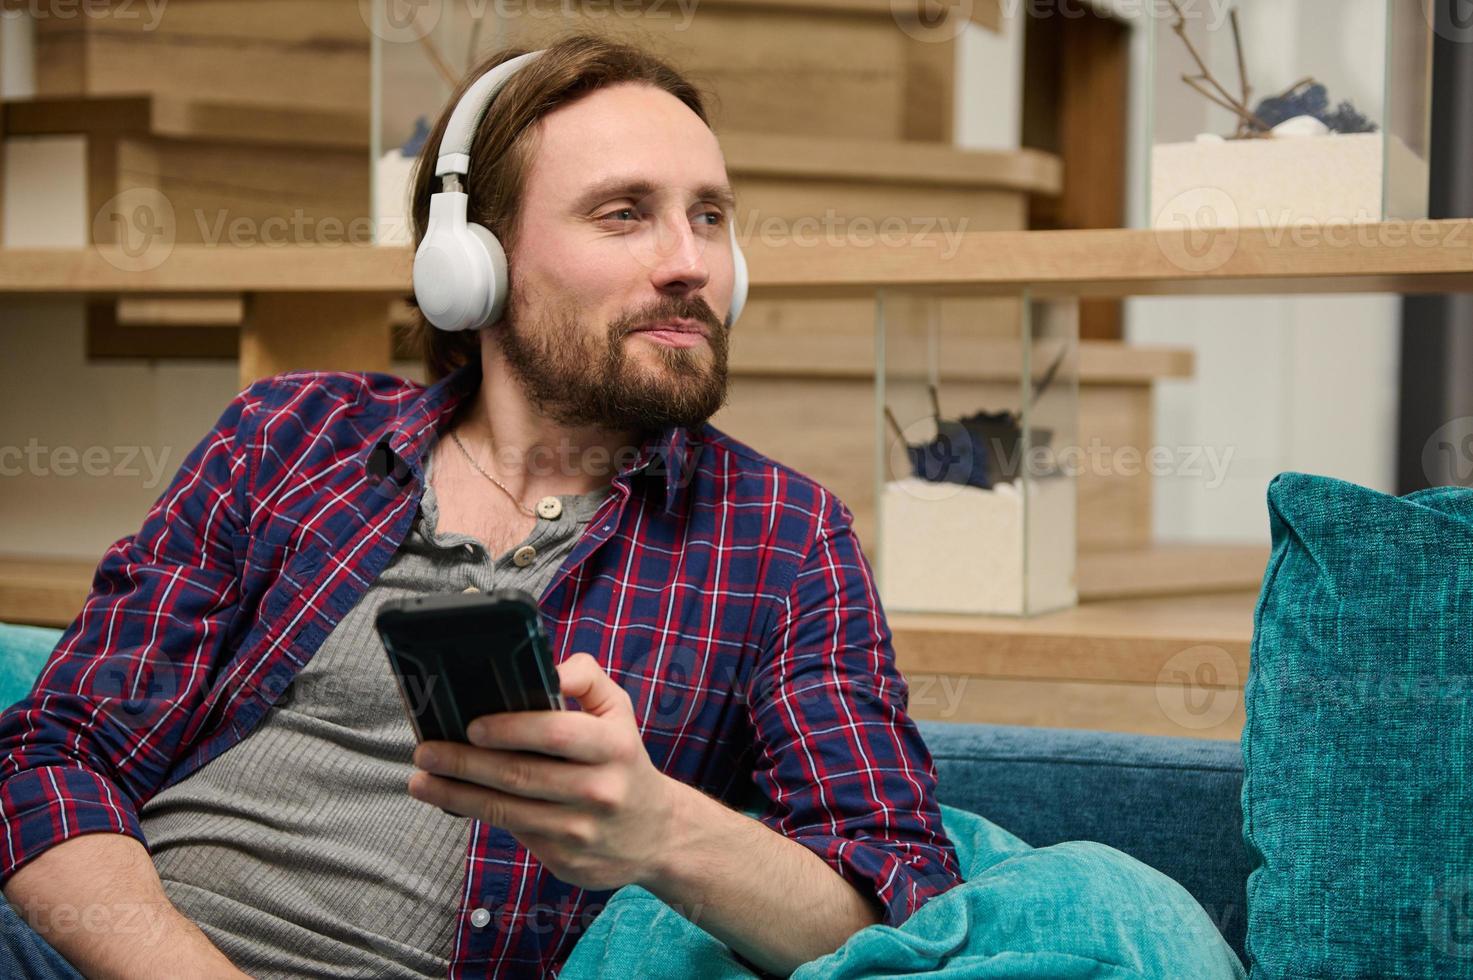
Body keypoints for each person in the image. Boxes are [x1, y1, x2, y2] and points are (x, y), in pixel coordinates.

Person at [0, 33, 962, 978]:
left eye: (708, 216)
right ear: (473, 261)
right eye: (625, 214)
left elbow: (901, 897)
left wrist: (659, 828)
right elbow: (54, 755)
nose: (692, 264)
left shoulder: (783, 539)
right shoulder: (289, 434)